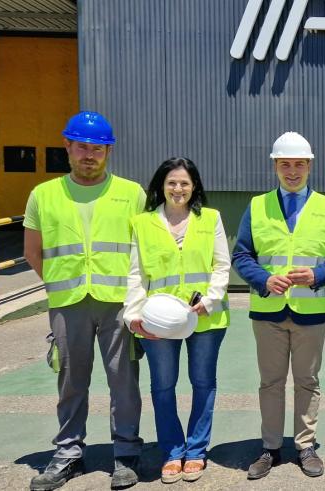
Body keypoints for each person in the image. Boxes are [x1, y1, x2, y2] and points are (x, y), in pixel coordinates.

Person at [23, 111, 145, 490]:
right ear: (68, 147)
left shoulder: (132, 193)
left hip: (118, 304)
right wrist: (63, 285)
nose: (89, 155)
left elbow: (143, 251)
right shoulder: (43, 195)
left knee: (123, 380)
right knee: (71, 381)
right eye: (82, 148)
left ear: (108, 151)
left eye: (97, 149)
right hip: (68, 303)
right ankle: (68, 453)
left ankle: (125, 454)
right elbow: (33, 252)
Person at [232, 131, 325, 480]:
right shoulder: (257, 206)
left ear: (310, 165)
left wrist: (317, 274)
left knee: (307, 380)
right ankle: (270, 447)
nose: (292, 170)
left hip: (311, 310)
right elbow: (243, 254)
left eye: (299, 163)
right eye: (285, 164)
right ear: (275, 166)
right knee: (270, 382)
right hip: (268, 309)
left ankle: (305, 445)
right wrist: (263, 279)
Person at [122, 158, 230, 483]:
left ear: (194, 186)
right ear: (161, 186)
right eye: (171, 183)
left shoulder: (211, 219)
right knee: (163, 386)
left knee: (203, 383)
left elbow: (222, 266)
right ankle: (172, 451)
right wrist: (133, 315)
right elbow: (136, 274)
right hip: (159, 321)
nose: (178, 189)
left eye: (184, 183)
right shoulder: (142, 223)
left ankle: (196, 451)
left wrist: (209, 300)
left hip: (204, 318)